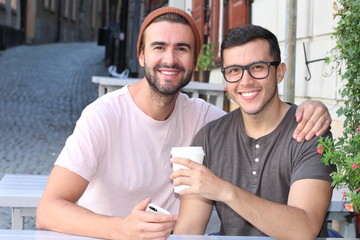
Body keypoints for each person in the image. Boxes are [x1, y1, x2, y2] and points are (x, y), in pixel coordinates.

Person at [36, 7, 331, 240]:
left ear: (194, 61)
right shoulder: (104, 116)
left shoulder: (206, 121)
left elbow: (256, 118)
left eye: (181, 49)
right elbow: (48, 211)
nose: (170, 59)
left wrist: (312, 109)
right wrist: (121, 230)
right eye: (159, 47)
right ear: (141, 55)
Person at [171, 25, 336, 240]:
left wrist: (224, 191)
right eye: (234, 70)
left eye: (257, 67)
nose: (245, 81)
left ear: (279, 72)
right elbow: (188, 232)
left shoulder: (310, 131)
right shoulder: (209, 137)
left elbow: (304, 229)